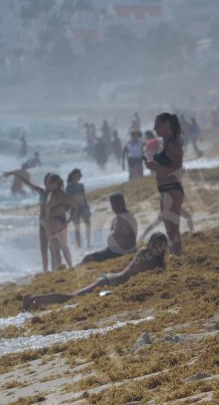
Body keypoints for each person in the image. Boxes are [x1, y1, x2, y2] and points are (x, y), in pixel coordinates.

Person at [22, 234, 168, 311]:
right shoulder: (144, 253)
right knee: (71, 298)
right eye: (154, 244)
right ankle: (32, 299)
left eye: (160, 246)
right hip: (106, 282)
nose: (156, 248)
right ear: (149, 244)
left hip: (112, 287)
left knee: (73, 302)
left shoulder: (157, 261)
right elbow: (143, 273)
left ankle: (36, 302)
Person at [145, 113, 186, 256]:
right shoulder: (167, 142)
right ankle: (175, 256)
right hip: (164, 189)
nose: (154, 128)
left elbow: (177, 167)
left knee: (173, 230)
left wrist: (156, 168)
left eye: (158, 125)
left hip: (172, 189)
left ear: (167, 124)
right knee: (170, 229)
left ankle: (177, 257)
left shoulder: (174, 143)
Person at [81, 194, 139, 263]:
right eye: (112, 204)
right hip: (113, 250)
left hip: (119, 252)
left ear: (122, 203)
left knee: (87, 258)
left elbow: (131, 239)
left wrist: (129, 253)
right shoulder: (119, 217)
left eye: (116, 203)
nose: (114, 207)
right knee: (87, 258)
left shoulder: (126, 218)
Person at [65, 169, 92, 249]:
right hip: (74, 208)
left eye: (79, 175)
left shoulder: (81, 185)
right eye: (77, 175)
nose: (79, 176)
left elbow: (84, 197)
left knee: (88, 225)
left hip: (83, 207)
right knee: (77, 227)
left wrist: (87, 206)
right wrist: (69, 209)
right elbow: (68, 198)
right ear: (73, 175)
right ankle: (79, 245)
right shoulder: (69, 186)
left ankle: (88, 243)